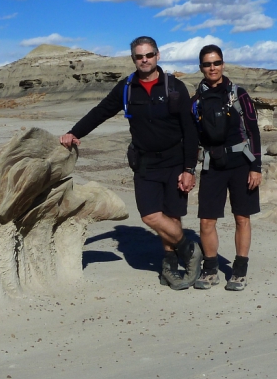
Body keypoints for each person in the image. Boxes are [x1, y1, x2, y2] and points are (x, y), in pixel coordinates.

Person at [59, 36, 203, 290]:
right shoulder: (126, 88)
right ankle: (189, 249)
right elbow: (101, 111)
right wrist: (75, 133)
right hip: (145, 162)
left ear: (158, 56)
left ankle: (169, 266)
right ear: (134, 59)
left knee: (171, 215)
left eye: (148, 55)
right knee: (150, 216)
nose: (144, 60)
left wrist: (189, 169)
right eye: (139, 56)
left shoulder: (174, 87)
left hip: (175, 160)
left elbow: (190, 131)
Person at [190, 44, 261, 291]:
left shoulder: (239, 94)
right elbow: (190, 138)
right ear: (201, 67)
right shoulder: (196, 100)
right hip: (212, 165)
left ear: (223, 64)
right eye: (208, 64)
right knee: (206, 221)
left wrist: (256, 166)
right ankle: (210, 270)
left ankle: (239, 271)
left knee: (242, 217)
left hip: (241, 164)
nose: (213, 68)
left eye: (216, 62)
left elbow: (253, 130)